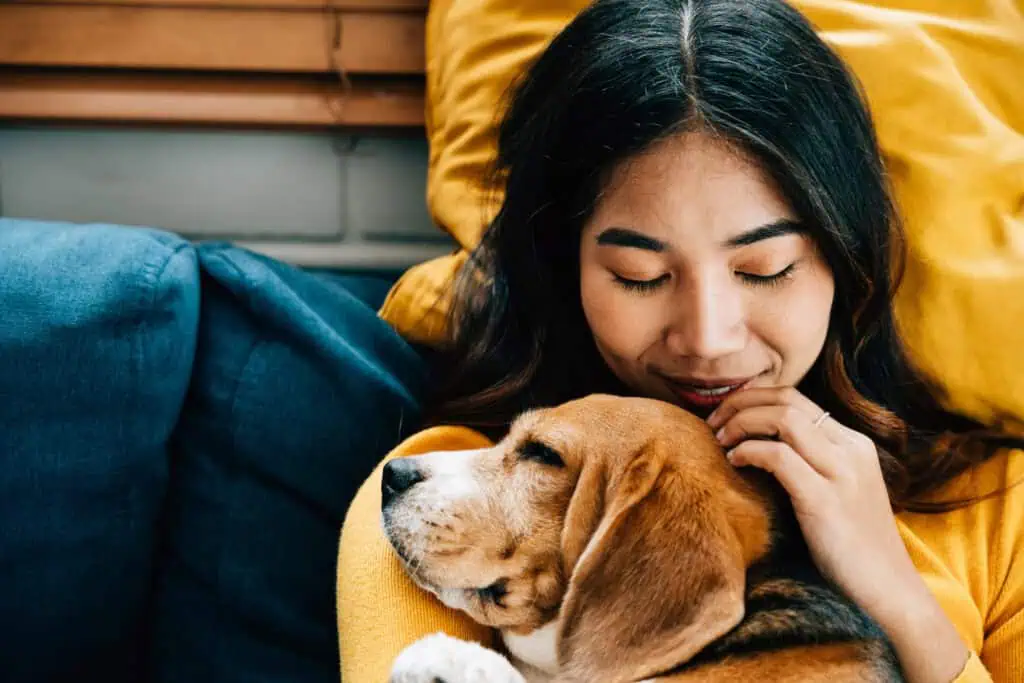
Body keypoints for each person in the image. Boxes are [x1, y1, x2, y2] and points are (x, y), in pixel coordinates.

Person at [336, 0, 1024, 681]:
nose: (707, 339)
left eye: (765, 268)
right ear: (567, 269)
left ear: (847, 262)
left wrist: (898, 595)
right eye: (640, 275)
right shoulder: (439, 488)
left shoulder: (999, 516)